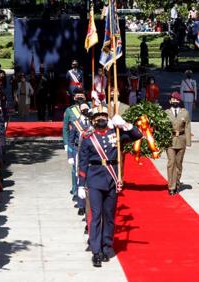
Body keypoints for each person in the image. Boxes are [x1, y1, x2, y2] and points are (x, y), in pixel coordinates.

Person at [78, 105, 142, 267]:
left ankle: (107, 246)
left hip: (111, 180)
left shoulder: (117, 134)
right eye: (98, 117)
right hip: (94, 180)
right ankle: (96, 251)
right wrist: (80, 184)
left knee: (109, 215)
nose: (101, 119)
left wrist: (126, 125)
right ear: (93, 120)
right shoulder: (88, 137)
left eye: (104, 117)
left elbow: (137, 135)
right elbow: (83, 163)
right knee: (96, 215)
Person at [165, 92, 191, 195]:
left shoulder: (185, 113)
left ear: (179, 101)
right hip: (170, 140)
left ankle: (177, 182)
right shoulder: (166, 112)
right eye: (173, 99)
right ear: (170, 101)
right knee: (171, 163)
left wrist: (188, 142)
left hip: (181, 139)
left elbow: (187, 127)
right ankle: (171, 186)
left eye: (177, 100)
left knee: (178, 164)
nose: (175, 101)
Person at [63, 89, 87, 196]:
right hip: (75, 143)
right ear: (74, 98)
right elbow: (65, 129)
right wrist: (66, 144)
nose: (80, 97)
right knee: (74, 168)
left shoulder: (89, 108)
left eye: (82, 95)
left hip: (87, 143)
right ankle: (75, 190)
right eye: (78, 96)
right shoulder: (69, 111)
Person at [68, 103, 91, 216]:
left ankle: (87, 204)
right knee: (80, 176)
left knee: (88, 178)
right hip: (79, 151)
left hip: (90, 153)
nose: (86, 111)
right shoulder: (75, 123)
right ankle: (81, 205)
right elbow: (71, 140)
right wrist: (70, 155)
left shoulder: (92, 122)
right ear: (80, 111)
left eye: (87, 109)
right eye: (84, 109)